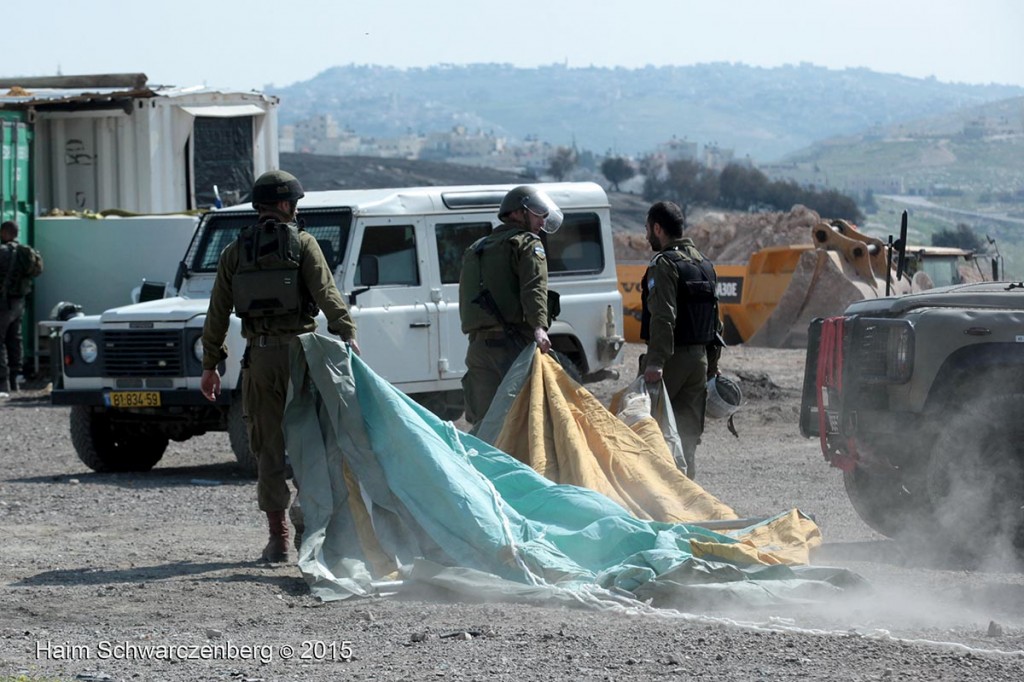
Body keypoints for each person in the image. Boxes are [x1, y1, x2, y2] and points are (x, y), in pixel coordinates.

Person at [199, 170, 359, 563]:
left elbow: (217, 313)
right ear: (288, 205)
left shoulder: (234, 252)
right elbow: (326, 293)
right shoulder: (303, 244)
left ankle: (278, 540)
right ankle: (310, 532)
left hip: (259, 359)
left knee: (268, 449)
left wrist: (210, 365)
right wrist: (347, 332)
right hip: (301, 356)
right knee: (311, 446)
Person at [458, 185, 563, 425]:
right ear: (517, 213)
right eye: (537, 212)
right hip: (513, 348)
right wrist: (539, 327)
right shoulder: (528, 244)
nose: (542, 220)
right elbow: (534, 287)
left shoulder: (476, 249)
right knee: (525, 422)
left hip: (479, 349)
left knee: (485, 424)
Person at [639, 201, 722, 479]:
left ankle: (658, 501)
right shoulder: (704, 264)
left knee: (650, 431)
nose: (647, 235)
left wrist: (656, 362)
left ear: (658, 228)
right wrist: (712, 365)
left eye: (648, 229)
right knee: (687, 438)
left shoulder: (664, 264)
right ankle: (688, 499)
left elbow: (663, 317)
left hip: (671, 360)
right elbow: (716, 321)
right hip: (699, 363)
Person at [0, 220, 44, 398]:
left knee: (0, 342)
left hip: (4, 304)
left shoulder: (2, 253)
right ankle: (14, 380)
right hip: (20, 303)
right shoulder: (27, 252)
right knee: (15, 340)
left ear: (4, 232)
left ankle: (2, 384)